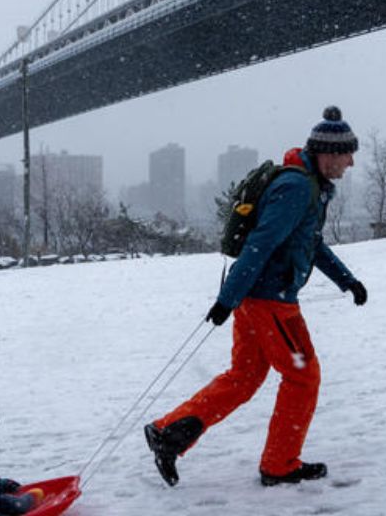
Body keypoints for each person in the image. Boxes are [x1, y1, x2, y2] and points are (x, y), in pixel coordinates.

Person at [145, 106, 367, 488]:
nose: (350, 163)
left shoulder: (308, 186)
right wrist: (226, 300)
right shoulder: (297, 188)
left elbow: (308, 243)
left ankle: (169, 433)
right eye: (347, 155)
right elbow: (259, 246)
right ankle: (280, 465)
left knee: (245, 376)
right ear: (328, 154)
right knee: (303, 377)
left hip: (258, 299)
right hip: (272, 303)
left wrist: (348, 281)